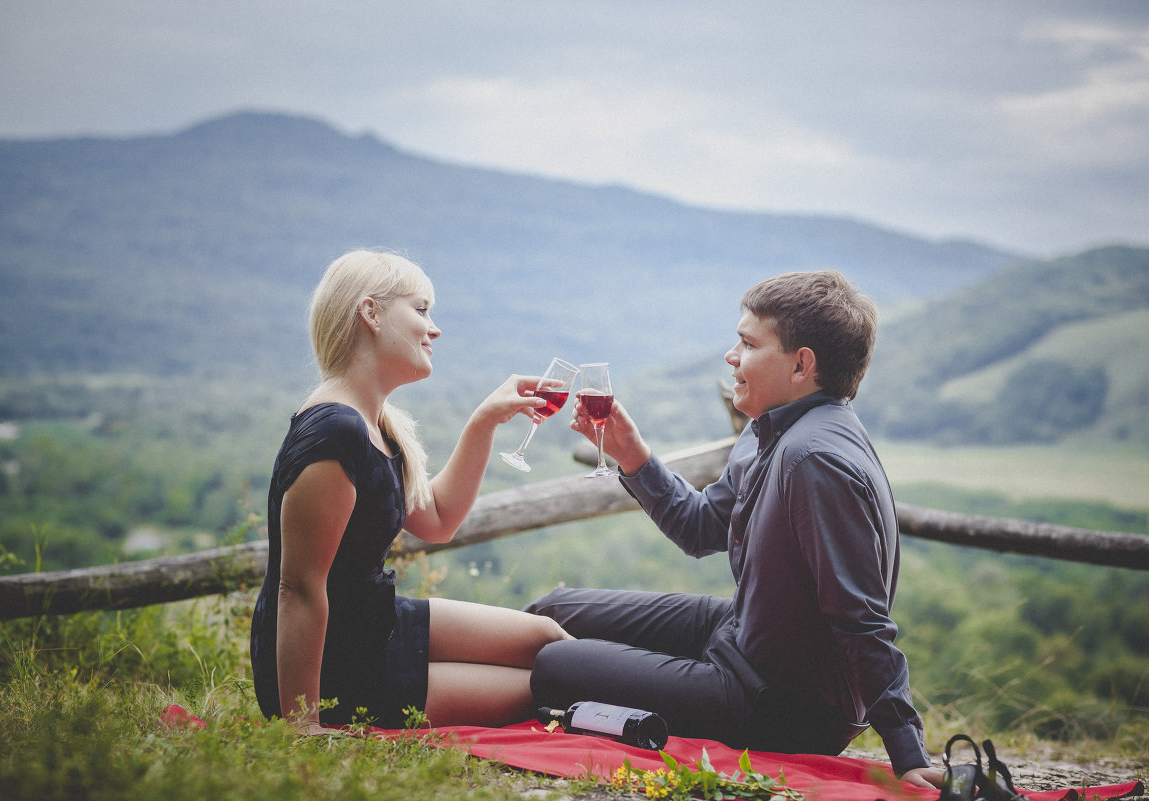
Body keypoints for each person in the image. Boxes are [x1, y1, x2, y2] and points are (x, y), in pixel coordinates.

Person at [523, 270, 942, 788]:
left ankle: (420, 692)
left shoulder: (816, 461)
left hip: (777, 700)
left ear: (801, 364)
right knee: (552, 611)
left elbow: (859, 619)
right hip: (741, 633)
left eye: (747, 342)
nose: (730, 355)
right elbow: (700, 528)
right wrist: (632, 454)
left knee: (557, 663)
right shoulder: (770, 430)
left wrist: (907, 751)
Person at [250, 249, 571, 734]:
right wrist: (303, 724)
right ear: (371, 313)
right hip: (338, 667)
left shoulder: (375, 423)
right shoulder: (334, 431)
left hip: (377, 623)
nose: (434, 328)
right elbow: (297, 588)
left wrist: (486, 420)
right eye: (421, 310)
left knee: (549, 644)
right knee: (544, 686)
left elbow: (439, 519)